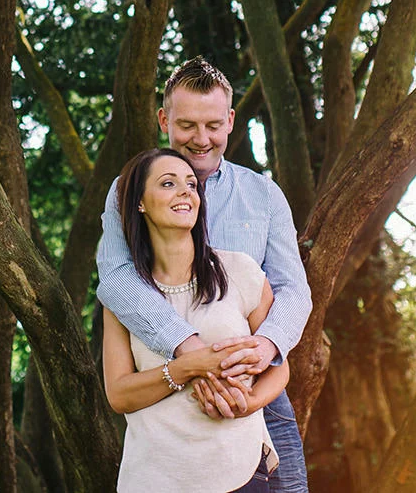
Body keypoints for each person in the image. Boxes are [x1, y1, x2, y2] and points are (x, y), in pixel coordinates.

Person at [97, 57, 311, 493]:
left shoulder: (263, 195)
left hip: (258, 391)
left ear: (230, 120)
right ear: (164, 120)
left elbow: (293, 290)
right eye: (187, 125)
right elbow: (117, 279)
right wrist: (192, 354)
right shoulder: (127, 191)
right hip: (168, 410)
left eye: (213, 125)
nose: (201, 139)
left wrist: (266, 347)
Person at [102, 147, 284, 492]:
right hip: (154, 478)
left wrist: (249, 403)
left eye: (190, 184)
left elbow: (279, 367)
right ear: (139, 203)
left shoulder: (239, 270)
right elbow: (119, 394)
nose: (186, 191)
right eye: (168, 183)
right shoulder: (122, 295)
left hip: (239, 471)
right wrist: (186, 368)